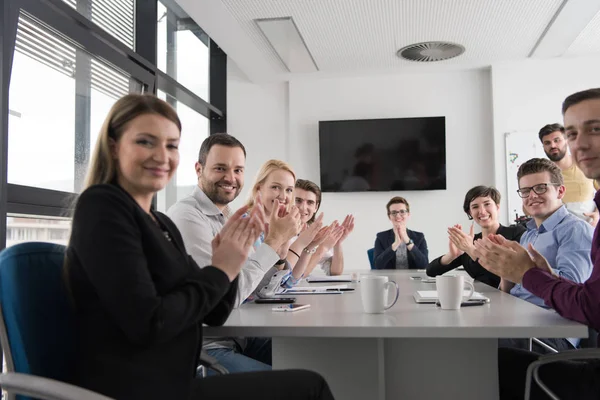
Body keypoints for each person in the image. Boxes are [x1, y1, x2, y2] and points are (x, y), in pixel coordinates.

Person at [64, 94, 334, 400]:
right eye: (145, 142)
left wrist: (230, 262)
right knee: (311, 388)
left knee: (317, 368)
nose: (162, 156)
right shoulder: (103, 206)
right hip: (144, 387)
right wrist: (223, 268)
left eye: (171, 145)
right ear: (114, 147)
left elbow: (216, 309)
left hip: (175, 377)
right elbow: (151, 323)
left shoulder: (160, 224)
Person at [474, 89, 600, 400]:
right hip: (520, 322)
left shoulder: (576, 231)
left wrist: (530, 272)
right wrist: (503, 272)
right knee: (468, 344)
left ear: (561, 191)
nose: (532, 196)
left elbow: (575, 294)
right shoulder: (528, 235)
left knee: (475, 359)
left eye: (541, 188)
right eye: (525, 191)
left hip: (547, 335)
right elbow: (513, 289)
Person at [167, 135, 302, 373]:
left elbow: (256, 291)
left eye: (238, 170)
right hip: (207, 349)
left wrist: (279, 253)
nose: (231, 178)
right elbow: (223, 301)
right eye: (220, 168)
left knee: (315, 356)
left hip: (239, 338)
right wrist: (273, 242)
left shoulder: (227, 217)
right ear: (199, 169)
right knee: (301, 384)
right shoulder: (188, 217)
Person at [426, 186, 525, 287]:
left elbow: (499, 278)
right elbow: (430, 271)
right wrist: (451, 255)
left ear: (497, 207)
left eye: (487, 204)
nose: (482, 211)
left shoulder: (516, 233)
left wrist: (471, 250)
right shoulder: (470, 241)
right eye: (475, 207)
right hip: (478, 299)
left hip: (508, 299)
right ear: (470, 213)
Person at [539, 123, 599, 226]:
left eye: (557, 140)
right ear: (543, 147)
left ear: (566, 140)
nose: (553, 145)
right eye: (547, 143)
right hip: (558, 233)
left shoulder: (586, 163)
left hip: (589, 230)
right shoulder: (541, 174)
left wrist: (597, 214)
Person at [294, 179, 355, 276]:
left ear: (316, 207)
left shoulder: (312, 232)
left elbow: (335, 272)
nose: (303, 207)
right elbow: (296, 276)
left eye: (310, 202)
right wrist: (323, 248)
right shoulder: (282, 231)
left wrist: (337, 243)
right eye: (298, 200)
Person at [373, 196, 428, 269]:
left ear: (408, 214)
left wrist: (408, 241)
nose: (398, 216)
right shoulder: (381, 237)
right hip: (390, 279)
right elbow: (377, 266)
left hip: (413, 279)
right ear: (389, 216)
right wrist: (395, 244)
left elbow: (424, 265)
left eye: (402, 211)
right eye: (393, 212)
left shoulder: (419, 237)